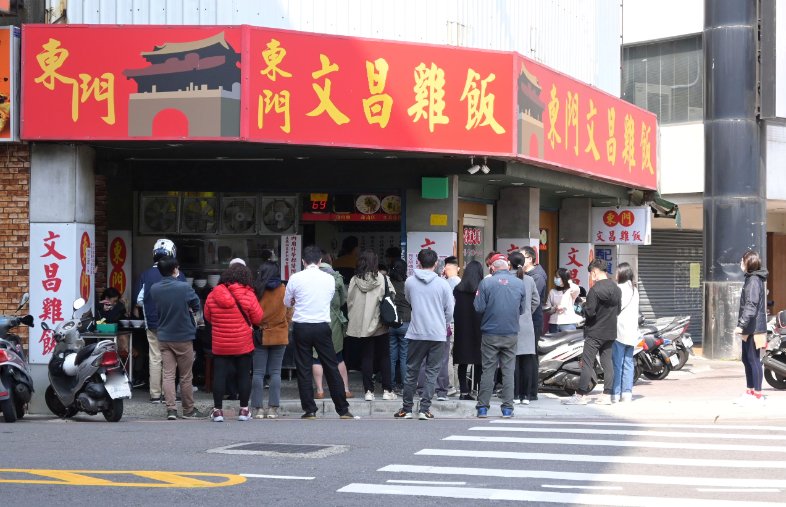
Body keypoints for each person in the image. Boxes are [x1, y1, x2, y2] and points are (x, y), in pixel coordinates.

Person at [284, 245, 354, 420]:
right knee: (331, 365)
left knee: (304, 367)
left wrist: (296, 300)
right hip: (323, 326)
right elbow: (329, 297)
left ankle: (309, 410)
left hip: (301, 326)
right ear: (320, 261)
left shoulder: (295, 277)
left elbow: (287, 302)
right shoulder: (329, 278)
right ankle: (343, 409)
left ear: (303, 261)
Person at [394, 249, 454, 420]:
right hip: (437, 333)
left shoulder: (410, 282)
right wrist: (442, 324)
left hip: (416, 332)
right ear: (436, 263)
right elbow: (449, 310)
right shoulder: (443, 284)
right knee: (432, 371)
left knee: (412, 370)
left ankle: (406, 408)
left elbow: (409, 300)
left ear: (418, 262)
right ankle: (424, 409)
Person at [204, 262, 263, 422]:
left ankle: (217, 411)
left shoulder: (213, 294)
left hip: (220, 343)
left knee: (220, 376)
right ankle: (244, 410)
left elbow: (208, 317)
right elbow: (258, 318)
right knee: (244, 375)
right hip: (243, 342)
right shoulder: (249, 294)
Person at [148, 256, 205, 420]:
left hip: (164, 336)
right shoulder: (183, 287)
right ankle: (188, 409)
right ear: (175, 270)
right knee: (186, 376)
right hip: (183, 336)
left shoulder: (155, 288)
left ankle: (171, 409)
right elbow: (196, 305)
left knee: (168, 374)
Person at [473, 252, 529, 418]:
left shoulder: (486, 283)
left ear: (492, 268)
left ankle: (483, 407)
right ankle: (507, 408)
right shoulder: (519, 283)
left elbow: (478, 308)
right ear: (507, 267)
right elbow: (522, 309)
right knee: (508, 371)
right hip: (511, 332)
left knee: (488, 370)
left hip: (490, 332)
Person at [563, 258, 621, 405]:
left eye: (591, 274)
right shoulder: (616, 289)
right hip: (610, 331)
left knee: (587, 363)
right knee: (607, 363)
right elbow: (618, 310)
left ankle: (581, 394)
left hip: (595, 332)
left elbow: (589, 312)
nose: (591, 277)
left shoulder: (595, 290)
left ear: (595, 272)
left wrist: (582, 306)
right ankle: (607, 395)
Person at [135, 239, 186, 403]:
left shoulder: (145, 275)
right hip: (174, 324)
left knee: (155, 357)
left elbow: (139, 300)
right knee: (171, 358)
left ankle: (155, 394)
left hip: (153, 322)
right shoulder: (178, 274)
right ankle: (168, 394)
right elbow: (185, 298)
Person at [347, 249, 396, 401]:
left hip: (362, 324)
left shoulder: (355, 279)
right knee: (384, 356)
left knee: (366, 357)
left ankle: (369, 391)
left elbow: (349, 301)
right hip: (379, 323)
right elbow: (391, 297)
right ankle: (387, 391)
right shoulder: (383, 278)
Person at [251, 261, 289, 419]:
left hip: (260, 334)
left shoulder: (257, 290)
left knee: (258, 373)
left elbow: (252, 313)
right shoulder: (283, 289)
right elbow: (290, 312)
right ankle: (273, 408)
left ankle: (258, 409)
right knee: (275, 372)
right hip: (280, 334)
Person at [314, 252, 352, 400]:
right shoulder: (337, 277)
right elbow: (343, 299)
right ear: (330, 261)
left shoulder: (310, 277)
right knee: (337, 356)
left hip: (316, 318)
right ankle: (346, 390)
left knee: (316, 357)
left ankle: (319, 391)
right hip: (334, 319)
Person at [734, 250, 768, 405]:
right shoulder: (751, 279)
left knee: (753, 360)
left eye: (742, 261)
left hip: (753, 328)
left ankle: (758, 395)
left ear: (748, 263)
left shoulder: (754, 280)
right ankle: (750, 391)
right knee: (747, 359)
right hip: (751, 327)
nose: (741, 264)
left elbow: (751, 305)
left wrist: (741, 325)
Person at [509, 252, 541, 405]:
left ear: (510, 263)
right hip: (527, 324)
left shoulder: (505, 279)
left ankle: (514, 395)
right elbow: (536, 300)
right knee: (527, 359)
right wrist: (527, 312)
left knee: (513, 360)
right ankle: (526, 396)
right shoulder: (529, 279)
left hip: (510, 323)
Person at [453, 261, 484, 400]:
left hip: (462, 328)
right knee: (479, 360)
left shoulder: (458, 289)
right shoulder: (482, 288)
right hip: (479, 327)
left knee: (463, 359)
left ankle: (463, 391)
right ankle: (477, 390)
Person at [613, 262, 640, 403]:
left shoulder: (619, 289)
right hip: (632, 332)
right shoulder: (635, 290)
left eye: (617, 272)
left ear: (622, 273)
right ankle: (627, 393)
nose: (615, 275)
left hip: (619, 331)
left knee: (617, 362)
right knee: (629, 362)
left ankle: (616, 393)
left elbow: (615, 309)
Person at [388, 259, 412, 393]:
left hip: (391, 323)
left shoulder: (388, 284)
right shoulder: (407, 285)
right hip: (406, 321)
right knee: (404, 357)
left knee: (391, 356)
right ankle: (404, 386)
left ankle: (390, 386)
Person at [521, 246, 547, 340]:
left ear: (530, 259)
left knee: (531, 352)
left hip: (533, 320)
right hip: (527, 320)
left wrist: (524, 315)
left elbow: (532, 300)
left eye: (522, 257)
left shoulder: (537, 276)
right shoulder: (525, 274)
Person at [546, 268, 582, 333]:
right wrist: (555, 308)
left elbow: (577, 288)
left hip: (568, 323)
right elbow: (548, 309)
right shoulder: (552, 292)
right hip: (554, 323)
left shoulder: (571, 291)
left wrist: (568, 281)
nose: (555, 279)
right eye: (555, 277)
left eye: (557, 277)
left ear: (564, 278)